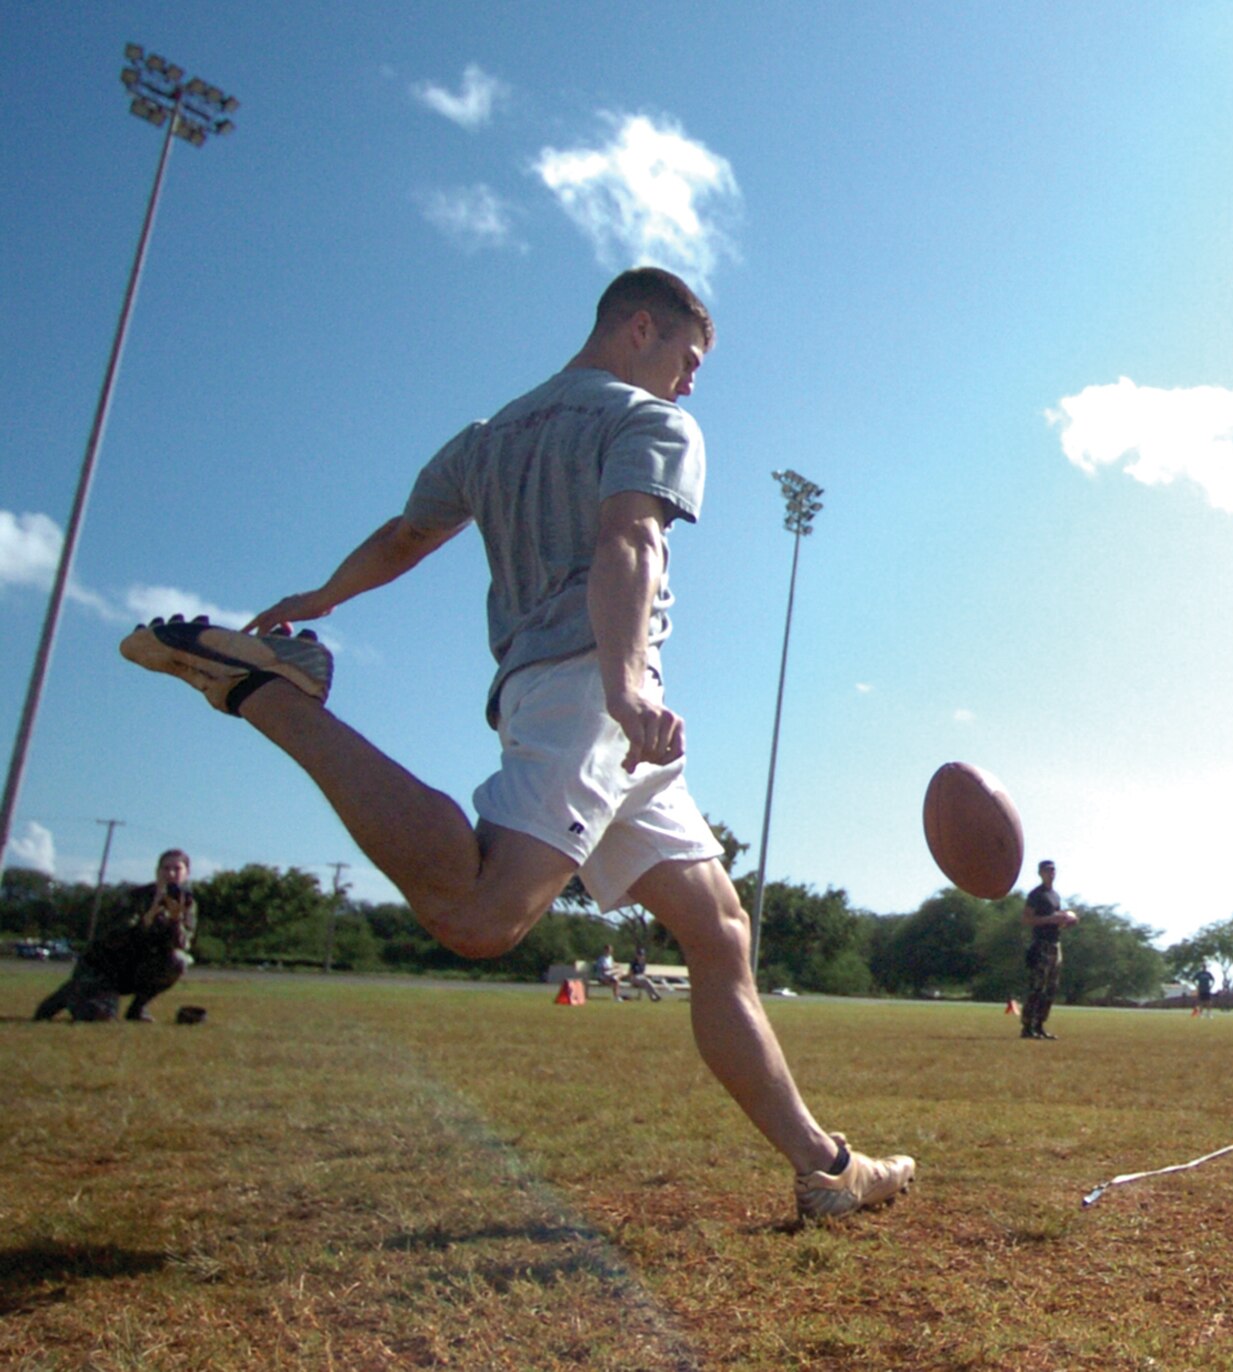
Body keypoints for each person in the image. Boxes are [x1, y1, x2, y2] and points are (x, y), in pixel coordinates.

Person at [118, 268, 913, 1221]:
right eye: (688, 359)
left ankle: (826, 1168)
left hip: (586, 707)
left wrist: (323, 598)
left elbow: (409, 535)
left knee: (720, 933)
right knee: (484, 917)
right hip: (592, 693)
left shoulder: (490, 438)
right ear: (641, 327)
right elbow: (630, 543)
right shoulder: (652, 424)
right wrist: (621, 684)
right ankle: (269, 697)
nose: (692, 384)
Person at [35, 849, 198, 1023]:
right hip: (105, 967)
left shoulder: (187, 903)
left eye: (177, 869)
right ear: (157, 871)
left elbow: (181, 943)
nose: (171, 874)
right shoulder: (135, 897)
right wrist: (149, 915)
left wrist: (175, 922)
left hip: (138, 968)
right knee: (99, 1016)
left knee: (178, 960)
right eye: (166, 868)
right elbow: (116, 936)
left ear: (187, 873)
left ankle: (137, 1009)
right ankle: (69, 993)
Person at [1021, 859, 1074, 1039]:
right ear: (1040, 873)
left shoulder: (1055, 896)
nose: (1051, 873)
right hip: (1041, 943)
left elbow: (1056, 919)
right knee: (1037, 985)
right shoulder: (1036, 895)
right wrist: (1050, 919)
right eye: (1047, 870)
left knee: (1051, 987)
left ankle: (1040, 1024)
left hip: (1055, 943)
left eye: (1053, 870)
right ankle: (1027, 1026)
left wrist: (1065, 920)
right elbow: (1028, 919)